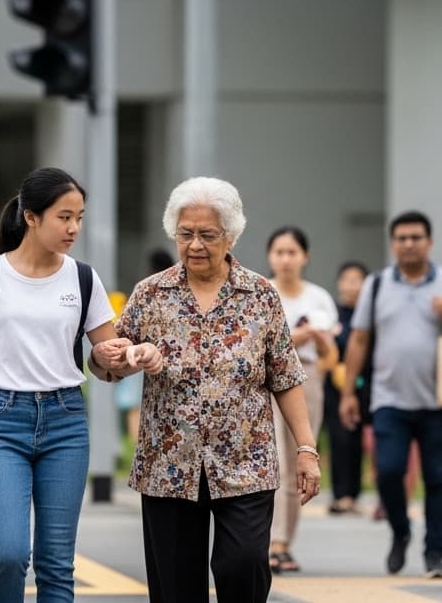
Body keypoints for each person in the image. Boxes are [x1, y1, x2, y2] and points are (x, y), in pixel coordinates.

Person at [0, 167, 161, 603]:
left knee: (55, 562)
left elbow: (107, 359)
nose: (74, 228)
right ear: (30, 217)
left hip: (65, 422)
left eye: (79, 217)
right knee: (9, 553)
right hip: (0, 423)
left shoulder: (84, 279)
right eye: (63, 217)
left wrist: (130, 357)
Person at [114, 177, 320, 603]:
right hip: (168, 466)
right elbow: (107, 360)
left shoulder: (260, 296)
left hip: (246, 463)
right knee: (175, 588)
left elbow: (285, 375)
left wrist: (306, 449)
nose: (195, 245)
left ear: (230, 235)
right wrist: (123, 357)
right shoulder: (151, 293)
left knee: (244, 565)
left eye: (207, 235)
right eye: (185, 234)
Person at [339, 210, 442, 578]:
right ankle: (400, 531)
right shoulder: (376, 284)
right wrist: (348, 392)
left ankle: (435, 553)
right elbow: (359, 339)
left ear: (429, 242)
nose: (408, 244)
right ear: (393, 244)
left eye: (415, 237)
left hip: (440, 400)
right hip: (389, 399)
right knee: (388, 471)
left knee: (437, 479)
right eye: (401, 238)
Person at [265, 226, 338, 574]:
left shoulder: (319, 298)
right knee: (273, 464)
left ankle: (283, 543)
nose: (285, 259)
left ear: (305, 257)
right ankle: (271, 542)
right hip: (265, 383)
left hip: (307, 380)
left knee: (300, 462)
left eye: (292, 252)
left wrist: (319, 338)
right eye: (279, 252)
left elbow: (330, 353)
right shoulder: (262, 293)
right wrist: (300, 334)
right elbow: (264, 344)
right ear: (270, 257)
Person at [115, 248, 174, 444]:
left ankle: (135, 445)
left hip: (139, 356)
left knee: (134, 406)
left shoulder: (148, 288)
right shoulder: (168, 289)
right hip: (161, 357)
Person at [323, 262, 367, 516]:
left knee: (358, 440)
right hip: (335, 386)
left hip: (364, 385)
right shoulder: (332, 315)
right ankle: (341, 494)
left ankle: (354, 492)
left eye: (357, 279)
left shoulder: (368, 315)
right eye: (346, 279)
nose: (351, 284)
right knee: (339, 439)